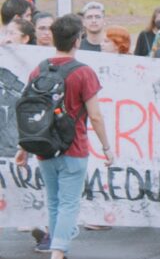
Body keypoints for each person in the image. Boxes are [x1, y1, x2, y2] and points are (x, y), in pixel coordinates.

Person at [15, 14, 115, 259]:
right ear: (77, 41)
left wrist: (24, 147)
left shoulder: (39, 69)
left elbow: (31, 109)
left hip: (44, 146)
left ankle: (56, 244)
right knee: (69, 202)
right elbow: (96, 116)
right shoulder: (83, 73)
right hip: (74, 146)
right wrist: (107, 147)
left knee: (54, 201)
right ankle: (58, 252)